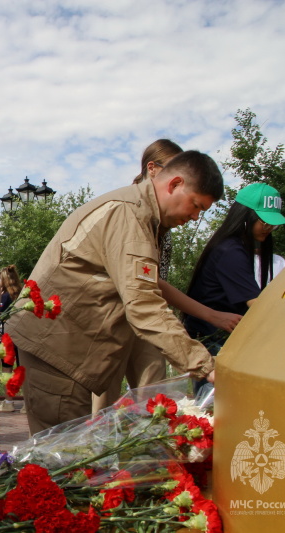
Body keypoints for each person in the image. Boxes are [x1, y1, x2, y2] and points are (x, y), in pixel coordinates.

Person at [6, 150, 224, 433]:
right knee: (61, 462)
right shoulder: (129, 215)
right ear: (175, 184)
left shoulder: (137, 212)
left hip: (65, 350)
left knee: (68, 457)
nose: (195, 217)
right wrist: (205, 366)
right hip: (58, 353)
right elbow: (143, 304)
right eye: (195, 205)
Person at [92, 140, 242, 411]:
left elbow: (152, 282)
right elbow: (143, 290)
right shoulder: (129, 213)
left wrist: (208, 315)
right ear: (155, 171)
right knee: (105, 400)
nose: (195, 216)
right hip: (116, 315)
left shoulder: (160, 220)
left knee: (154, 395)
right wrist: (206, 357)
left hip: (146, 312)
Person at [183, 182, 285, 394]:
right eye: (264, 221)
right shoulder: (229, 251)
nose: (268, 228)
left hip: (232, 341)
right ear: (244, 217)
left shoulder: (245, 250)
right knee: (215, 411)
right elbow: (258, 306)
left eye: (273, 224)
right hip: (214, 344)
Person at [0, 264, 22, 412]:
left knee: (7, 370)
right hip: (23, 336)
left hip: (8, 338)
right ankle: (27, 403)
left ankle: (8, 401)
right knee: (23, 368)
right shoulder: (20, 295)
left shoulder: (4, 297)